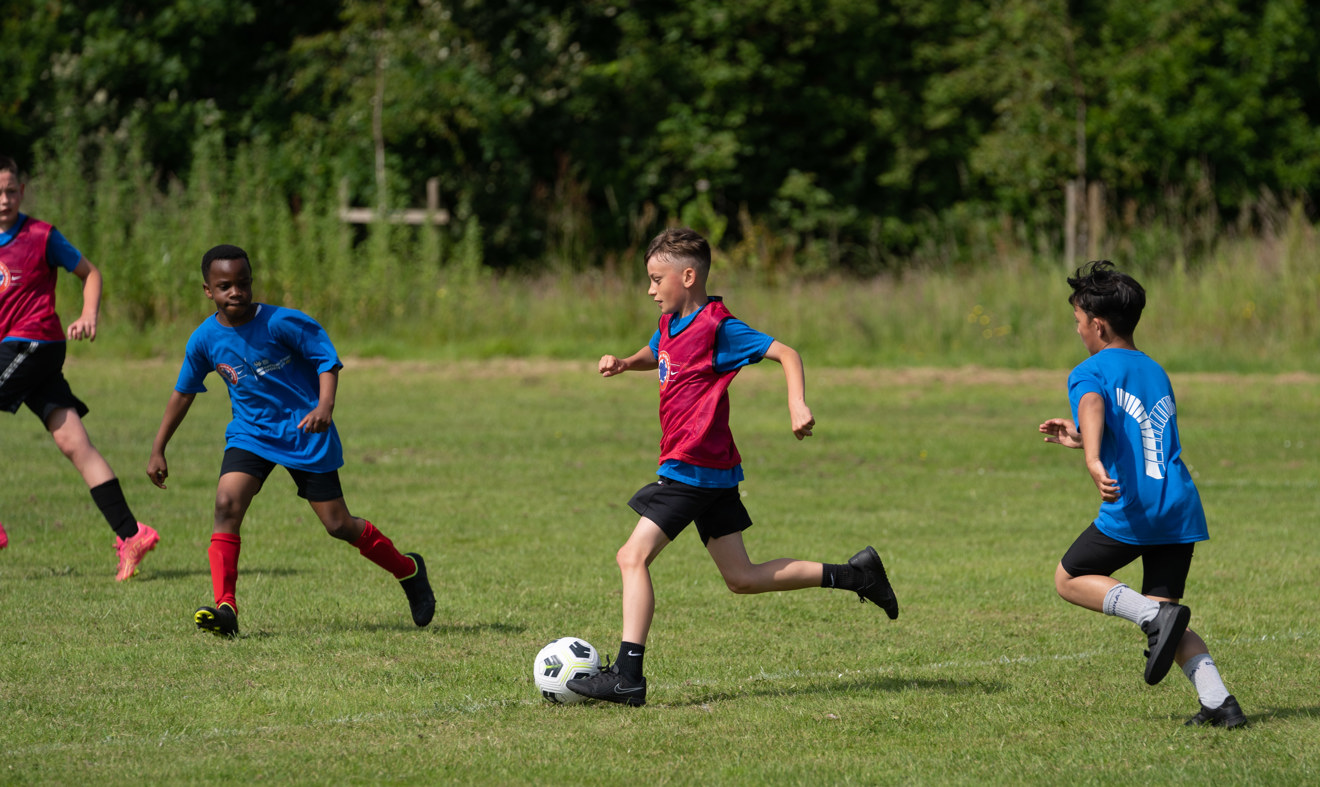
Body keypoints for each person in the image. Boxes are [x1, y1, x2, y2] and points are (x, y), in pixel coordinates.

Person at [566, 227, 898, 707]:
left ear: (688, 275)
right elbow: (658, 354)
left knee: (631, 556)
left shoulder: (718, 327)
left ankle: (628, 676)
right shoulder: (670, 323)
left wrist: (797, 405)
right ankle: (855, 576)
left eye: (657, 279)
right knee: (741, 578)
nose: (650, 289)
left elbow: (787, 353)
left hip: (692, 465)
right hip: (710, 471)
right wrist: (624, 362)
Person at [147, 244, 434, 637]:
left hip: (305, 433)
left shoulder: (281, 322)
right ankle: (226, 607)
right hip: (252, 434)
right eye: (225, 285)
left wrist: (324, 407)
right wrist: (158, 446)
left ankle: (408, 569)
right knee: (226, 503)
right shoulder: (204, 340)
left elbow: (326, 360)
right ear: (208, 290)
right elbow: (183, 392)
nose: (236, 292)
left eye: (243, 283)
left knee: (338, 525)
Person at [1039, 260, 1246, 728]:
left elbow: (1093, 402)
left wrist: (1092, 456)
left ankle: (1150, 617)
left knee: (1069, 578)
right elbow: (1137, 430)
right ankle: (1220, 703)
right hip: (1178, 508)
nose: (1078, 333)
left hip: (1136, 508)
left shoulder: (1089, 370)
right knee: (1168, 617)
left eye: (1077, 324)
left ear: (1097, 324)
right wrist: (1084, 438)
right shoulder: (1155, 370)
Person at [0, 154, 159, 577]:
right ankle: (132, 533)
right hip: (19, 352)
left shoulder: (41, 236)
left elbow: (90, 273)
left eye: (11, 191)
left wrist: (89, 313)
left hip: (35, 341)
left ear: (22, 191)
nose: (4, 199)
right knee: (73, 442)